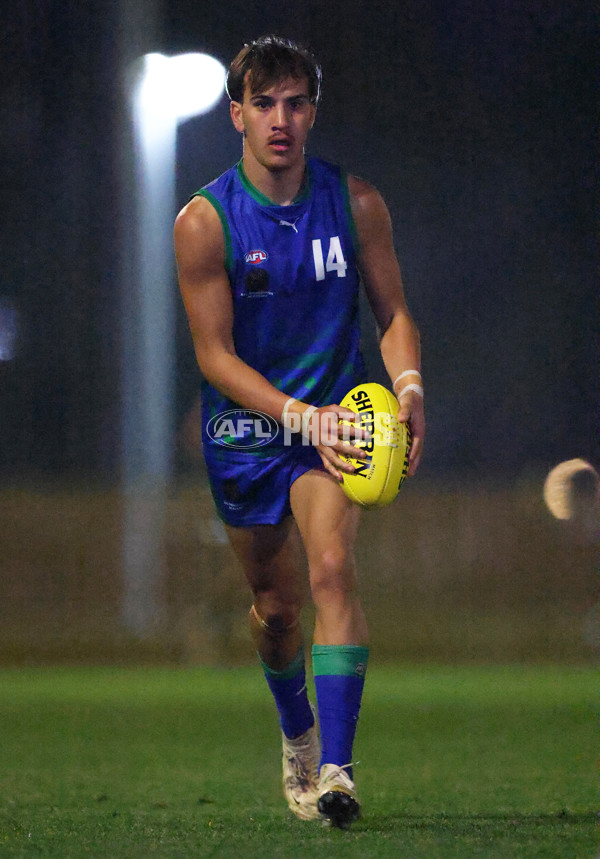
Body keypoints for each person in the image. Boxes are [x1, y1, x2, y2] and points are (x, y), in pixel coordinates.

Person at [174, 35, 425, 829]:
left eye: (296, 102)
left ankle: (337, 769)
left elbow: (393, 316)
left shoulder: (356, 204)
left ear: (312, 111)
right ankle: (297, 731)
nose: (281, 119)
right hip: (248, 436)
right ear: (237, 112)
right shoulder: (204, 223)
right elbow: (214, 356)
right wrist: (295, 416)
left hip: (332, 423)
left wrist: (408, 383)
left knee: (331, 565)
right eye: (265, 103)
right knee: (276, 609)